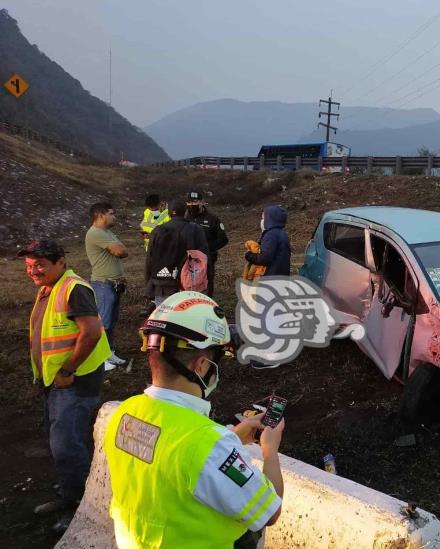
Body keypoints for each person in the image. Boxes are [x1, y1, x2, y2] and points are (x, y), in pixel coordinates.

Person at [105, 292, 284, 548]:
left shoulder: (125, 413)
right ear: (201, 366)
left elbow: (168, 459)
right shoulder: (210, 446)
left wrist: (233, 435)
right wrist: (270, 452)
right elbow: (270, 512)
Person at [19, 239, 111, 532]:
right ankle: (70, 494)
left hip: (73, 380)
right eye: (29, 266)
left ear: (60, 262)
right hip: (55, 381)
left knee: (67, 445)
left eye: (40, 265)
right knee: (62, 442)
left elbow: (93, 332)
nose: (34, 271)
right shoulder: (49, 288)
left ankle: (83, 507)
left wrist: (68, 369)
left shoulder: (74, 288)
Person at [85, 202, 128, 371]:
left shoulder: (107, 232)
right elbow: (121, 252)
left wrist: (120, 248)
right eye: (111, 213)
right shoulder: (96, 233)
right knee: (103, 323)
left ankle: (108, 352)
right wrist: (119, 249)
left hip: (113, 285)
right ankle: (99, 357)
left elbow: (122, 249)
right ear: (101, 215)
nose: (114, 216)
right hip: (103, 284)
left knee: (111, 321)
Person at [145, 200, 208, 305]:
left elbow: (149, 259)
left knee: (164, 318)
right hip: (187, 284)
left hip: (161, 284)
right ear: (186, 212)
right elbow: (205, 258)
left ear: (168, 214)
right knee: (185, 318)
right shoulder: (195, 229)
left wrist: (148, 284)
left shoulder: (157, 230)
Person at [186, 189, 229, 296]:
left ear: (202, 202)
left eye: (195, 202)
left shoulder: (212, 219)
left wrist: (206, 248)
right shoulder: (184, 218)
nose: (192, 204)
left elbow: (223, 239)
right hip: (186, 259)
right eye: (190, 202)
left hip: (207, 259)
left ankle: (207, 305)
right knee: (187, 284)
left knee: (206, 284)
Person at [244, 206, 291, 276]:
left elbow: (265, 258)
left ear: (270, 220)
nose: (262, 221)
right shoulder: (282, 233)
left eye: (263, 218)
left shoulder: (270, 235)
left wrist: (249, 255)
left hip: (271, 277)